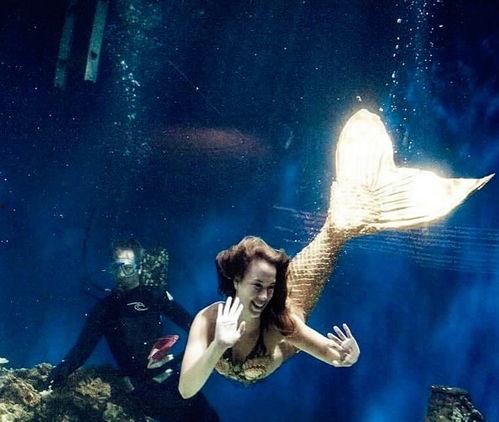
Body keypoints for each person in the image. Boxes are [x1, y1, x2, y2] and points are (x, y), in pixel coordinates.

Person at [179, 109, 493, 397]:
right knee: (337, 229)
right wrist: (219, 344)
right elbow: (187, 389)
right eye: (257, 286)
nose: (263, 296)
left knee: (337, 231)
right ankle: (348, 217)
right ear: (236, 280)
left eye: (271, 287)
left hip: (295, 303)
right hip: (243, 329)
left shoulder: (280, 322)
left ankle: (349, 216)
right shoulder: (209, 321)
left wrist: (347, 356)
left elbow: (333, 355)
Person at [47, 238, 218, 421]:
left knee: (208, 416)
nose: (121, 274)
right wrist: (53, 378)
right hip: (142, 388)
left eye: (127, 267)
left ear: (139, 267)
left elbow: (193, 325)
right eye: (116, 268)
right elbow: (81, 350)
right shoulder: (105, 309)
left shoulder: (155, 296)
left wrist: (207, 350)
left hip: (171, 376)